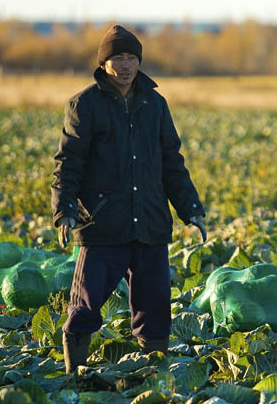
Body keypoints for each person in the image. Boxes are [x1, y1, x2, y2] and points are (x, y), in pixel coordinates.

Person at [51, 25, 207, 373]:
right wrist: (64, 209)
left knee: (154, 304)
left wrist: (191, 209)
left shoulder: (155, 104)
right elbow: (68, 163)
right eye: (117, 58)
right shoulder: (85, 105)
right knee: (86, 303)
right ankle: (73, 373)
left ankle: (153, 372)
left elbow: (172, 162)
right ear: (103, 63)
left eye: (131, 57)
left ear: (139, 61)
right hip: (103, 223)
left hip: (150, 221)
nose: (125, 65)